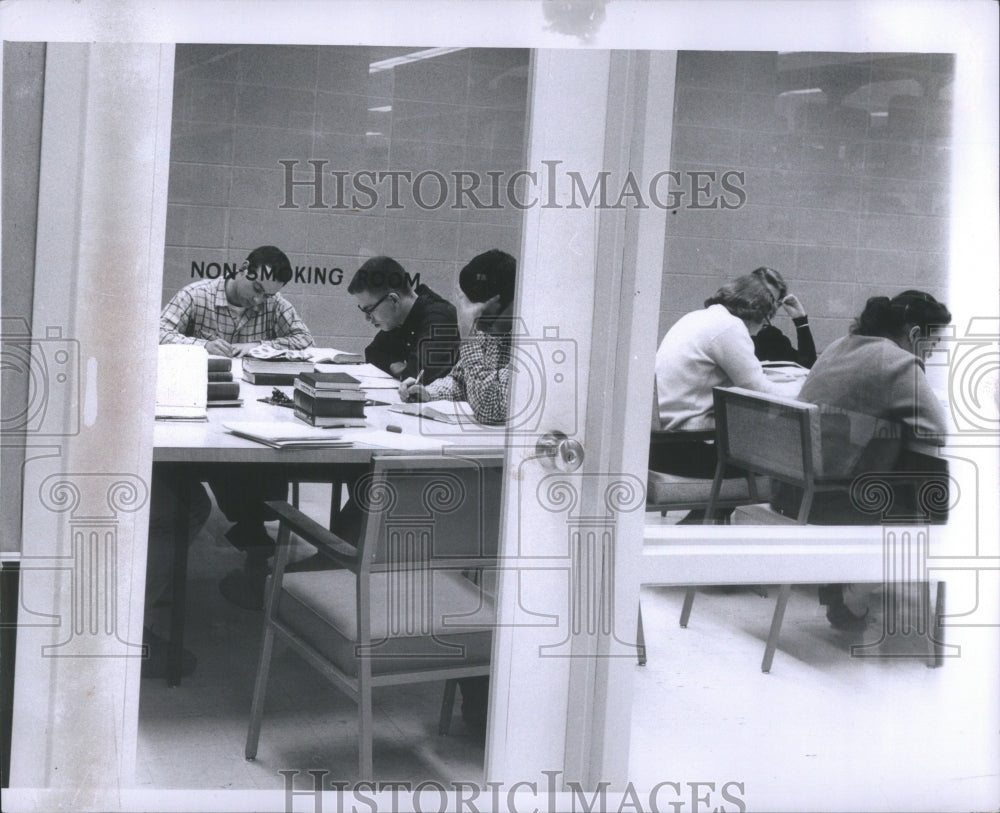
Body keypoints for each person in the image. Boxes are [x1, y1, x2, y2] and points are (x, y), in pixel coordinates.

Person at [773, 290, 952, 629]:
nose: (933, 353)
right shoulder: (897, 361)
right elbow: (940, 432)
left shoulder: (841, 345)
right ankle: (852, 593)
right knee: (942, 496)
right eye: (933, 344)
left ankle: (847, 583)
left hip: (793, 492)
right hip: (833, 502)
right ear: (914, 335)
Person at [399, 248, 516, 734]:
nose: (477, 318)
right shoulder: (496, 331)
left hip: (515, 485)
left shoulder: (523, 336)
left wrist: (469, 333)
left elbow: (489, 406)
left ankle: (482, 696)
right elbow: (464, 383)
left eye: (479, 307)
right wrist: (429, 390)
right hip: (486, 470)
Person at [158, 245, 313, 610]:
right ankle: (246, 527)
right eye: (258, 290)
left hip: (248, 404)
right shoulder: (197, 294)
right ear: (244, 270)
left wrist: (253, 347)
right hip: (201, 397)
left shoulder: (272, 302)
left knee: (262, 457)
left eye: (270, 295)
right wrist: (201, 345)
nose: (262, 300)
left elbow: (304, 340)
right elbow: (159, 333)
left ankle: (252, 528)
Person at [652, 272, 784, 480]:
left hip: (660, 443)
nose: (759, 332)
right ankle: (716, 510)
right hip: (688, 447)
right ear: (758, 311)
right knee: (781, 457)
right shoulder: (729, 327)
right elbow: (761, 391)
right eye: (766, 321)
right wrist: (805, 391)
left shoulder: (695, 317)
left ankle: (708, 513)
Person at [399, 249, 516, 426]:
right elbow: (460, 381)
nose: (479, 326)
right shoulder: (490, 331)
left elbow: (489, 410)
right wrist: (429, 392)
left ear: (507, 302)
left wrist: (468, 337)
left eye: (484, 315)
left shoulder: (527, 342)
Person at [347, 256, 460, 383]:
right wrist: (394, 366)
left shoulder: (441, 319)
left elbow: (417, 377)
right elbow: (372, 355)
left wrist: (406, 370)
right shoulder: (398, 317)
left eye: (369, 310)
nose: (367, 318)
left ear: (394, 300)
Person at [750, 266, 818, 368]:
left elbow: (807, 368)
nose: (768, 307)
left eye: (773, 301)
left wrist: (801, 321)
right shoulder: (730, 326)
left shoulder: (770, 335)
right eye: (764, 297)